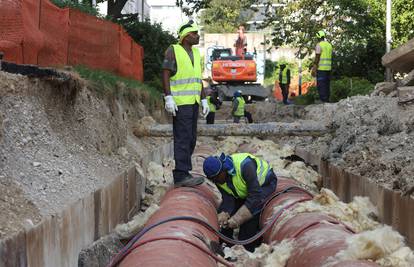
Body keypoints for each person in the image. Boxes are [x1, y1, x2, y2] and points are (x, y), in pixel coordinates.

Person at [162, 20, 210, 187]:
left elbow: (197, 79)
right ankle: (181, 175)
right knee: (182, 138)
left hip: (194, 102)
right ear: (185, 36)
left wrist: (203, 98)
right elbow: (166, 73)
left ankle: (183, 172)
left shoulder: (196, 54)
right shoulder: (173, 50)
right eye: (194, 33)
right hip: (180, 103)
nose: (197, 36)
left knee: (191, 138)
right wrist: (168, 97)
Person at [203, 152, 278, 252]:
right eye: (212, 180)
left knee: (248, 224)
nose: (215, 182)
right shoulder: (219, 178)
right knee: (225, 225)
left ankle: (248, 249)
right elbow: (228, 199)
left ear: (223, 170)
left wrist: (238, 218)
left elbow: (255, 197)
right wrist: (225, 213)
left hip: (264, 185)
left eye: (216, 178)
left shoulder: (245, 166)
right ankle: (226, 248)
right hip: (244, 191)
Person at [311, 30, 333, 103]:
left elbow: (317, 57)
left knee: (321, 85)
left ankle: (323, 100)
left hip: (321, 69)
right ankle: (327, 99)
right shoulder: (329, 45)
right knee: (327, 84)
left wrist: (314, 68)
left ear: (318, 37)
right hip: (328, 68)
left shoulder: (319, 45)